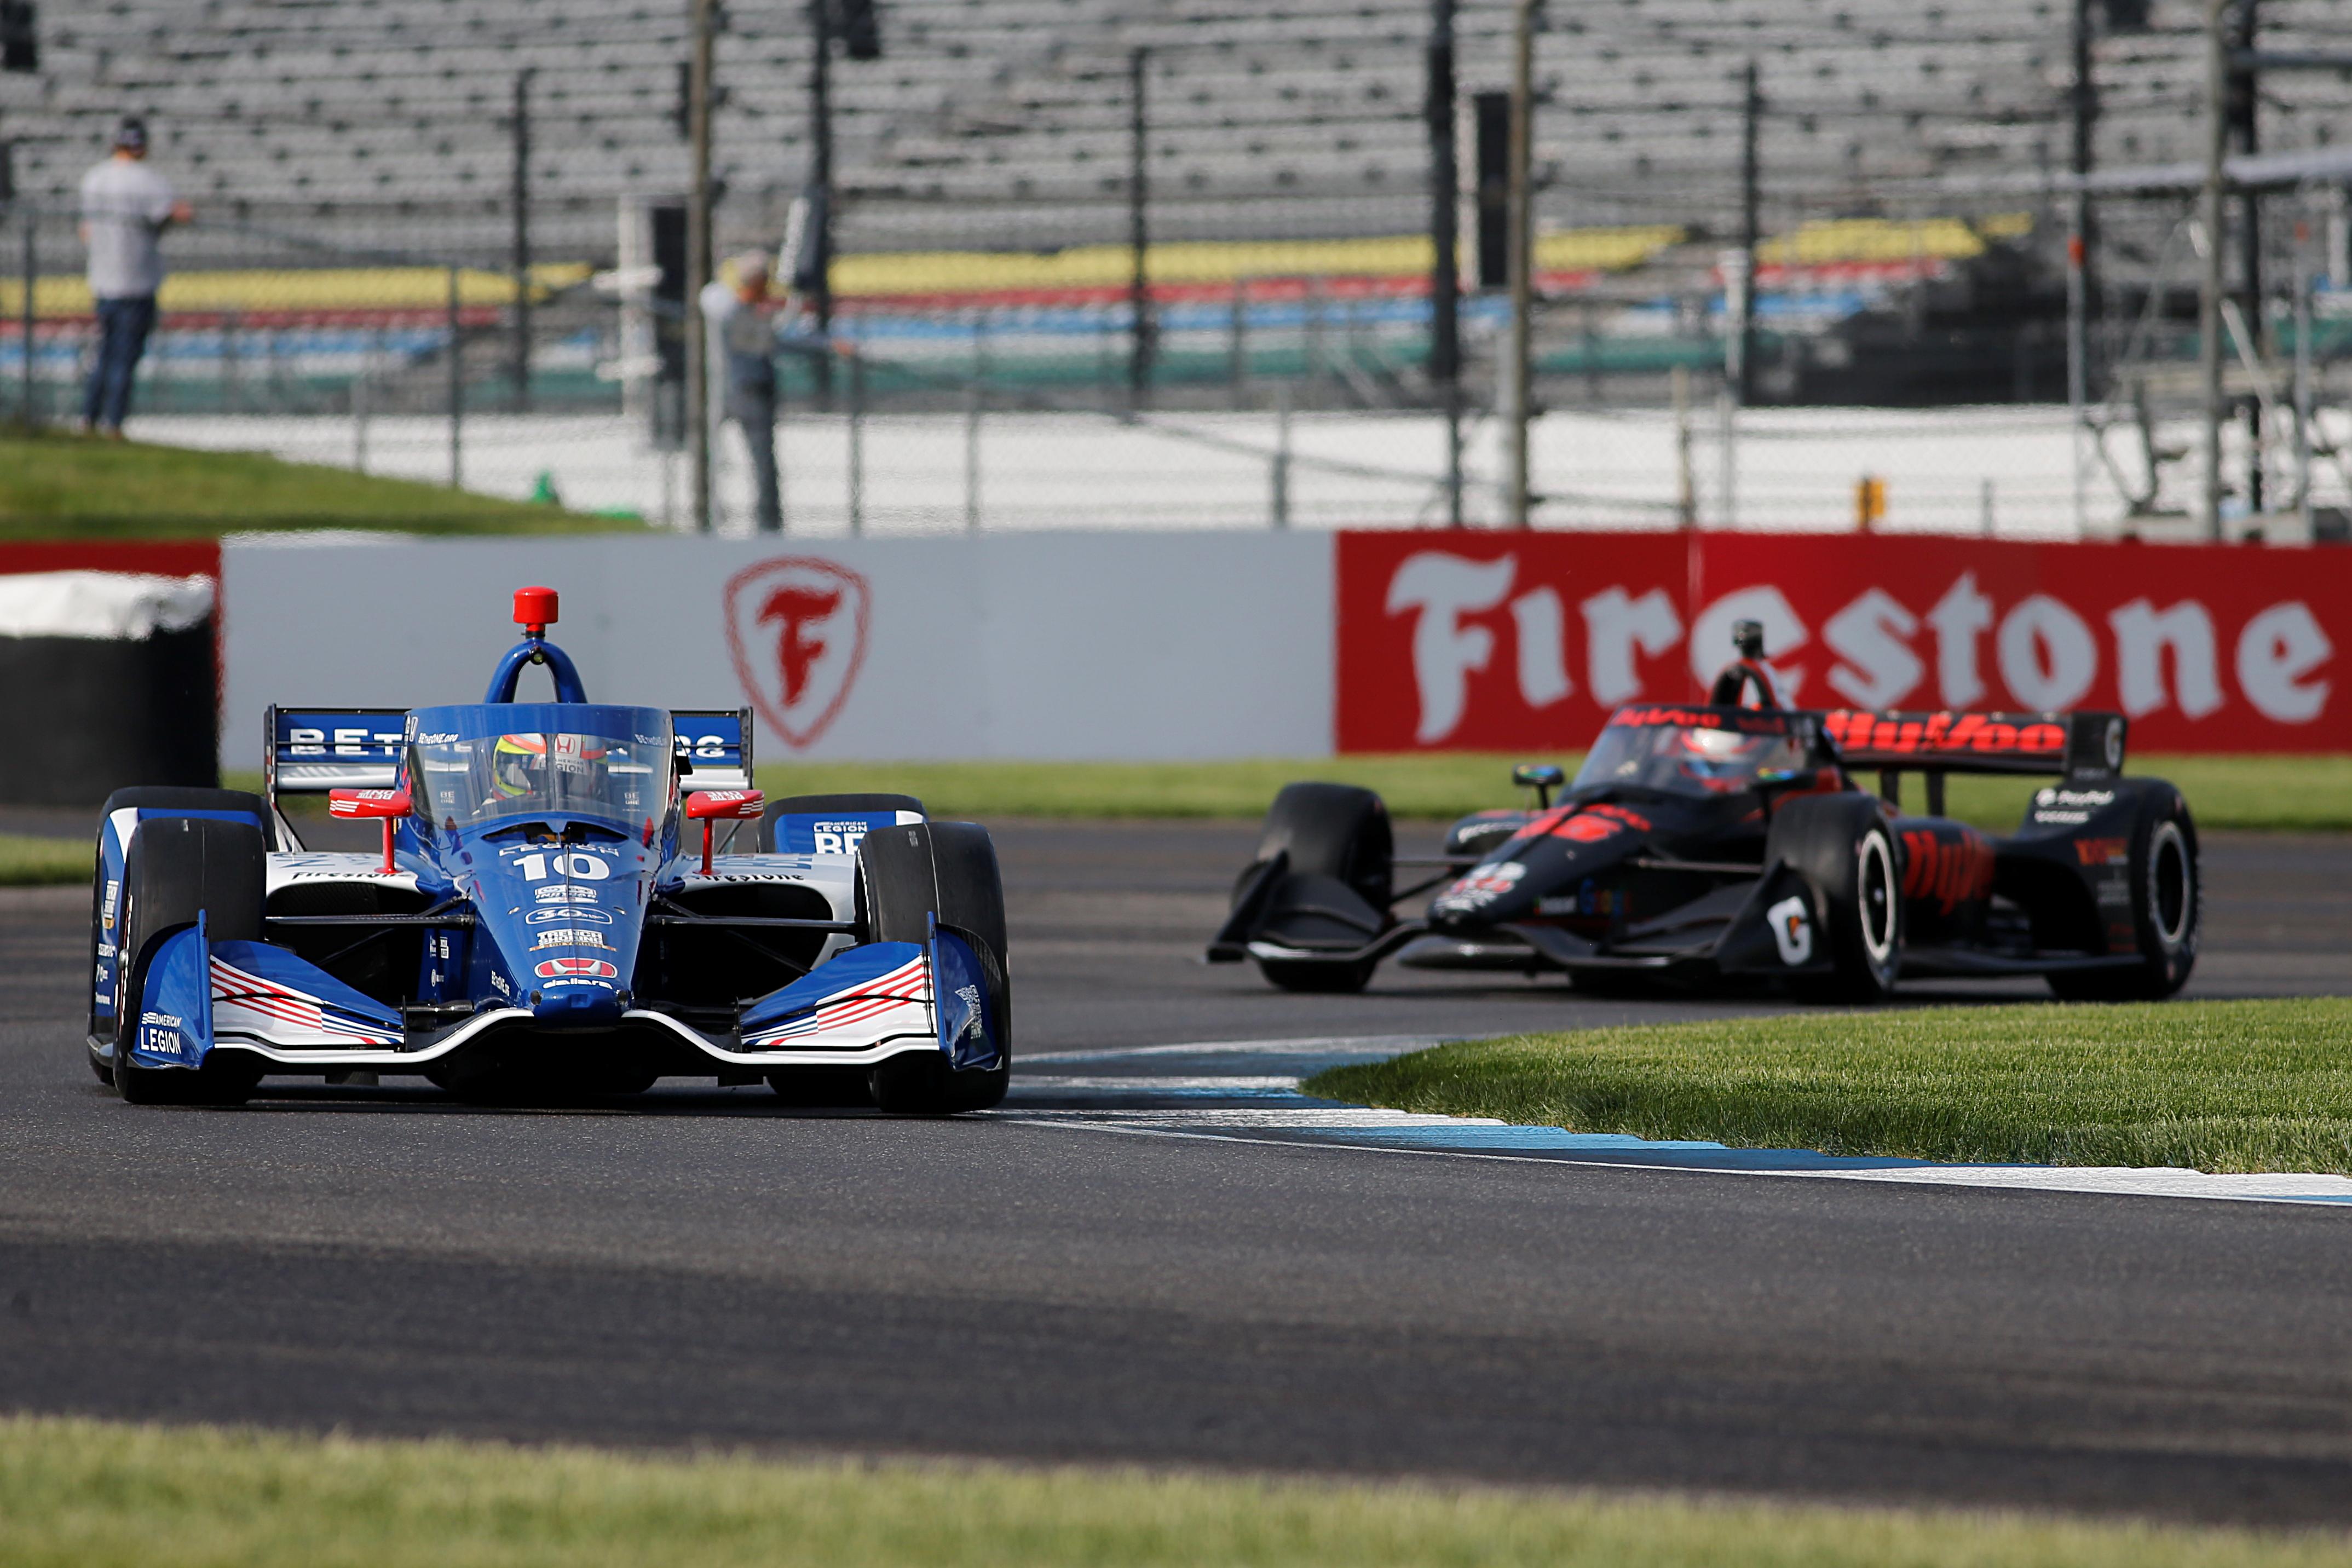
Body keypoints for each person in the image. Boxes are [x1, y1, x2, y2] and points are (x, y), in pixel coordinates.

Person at [77, 117, 192, 438]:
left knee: (103, 354)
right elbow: (169, 214)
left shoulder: (94, 178)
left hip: (103, 279)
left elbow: (85, 230)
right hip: (137, 279)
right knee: (124, 358)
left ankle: (88, 419)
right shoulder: (147, 180)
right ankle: (114, 424)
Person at [699, 250, 783, 533]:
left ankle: (767, 523)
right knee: (762, 464)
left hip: (749, 392)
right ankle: (767, 527)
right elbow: (763, 344)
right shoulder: (738, 314)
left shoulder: (744, 313)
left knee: (764, 463)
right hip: (748, 394)